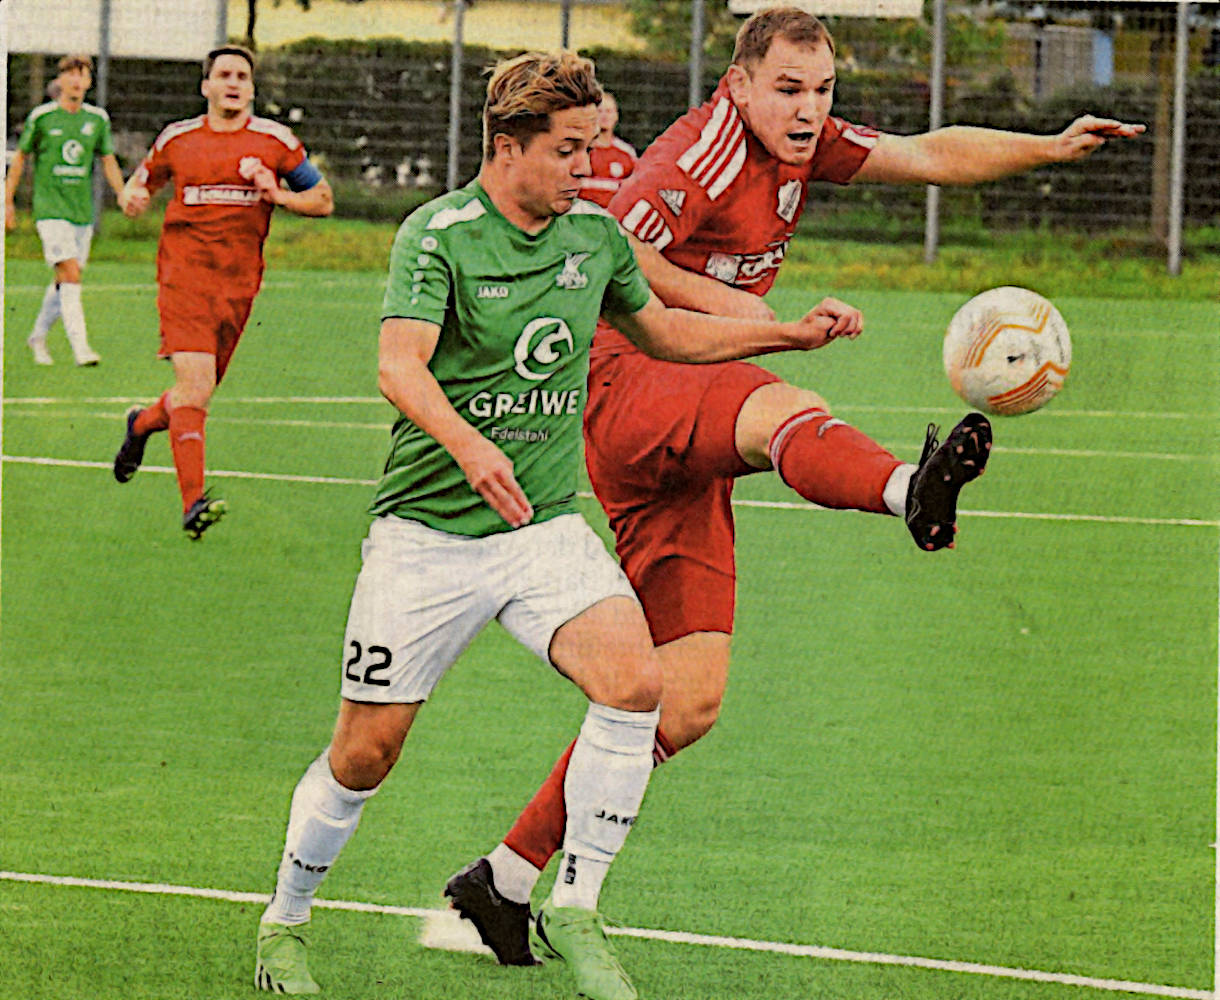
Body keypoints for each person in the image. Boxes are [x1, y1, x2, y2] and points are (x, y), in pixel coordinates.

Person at [445, 4, 1145, 967]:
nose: (809, 109)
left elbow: (928, 155)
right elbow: (619, 249)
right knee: (781, 409)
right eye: (788, 88)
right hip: (630, 381)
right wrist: (747, 312)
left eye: (821, 90)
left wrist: (1050, 146)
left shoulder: (799, 144)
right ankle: (910, 490)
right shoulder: (699, 158)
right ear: (738, 84)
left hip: (682, 421)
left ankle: (504, 879)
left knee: (682, 700)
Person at [251, 49, 871, 1000]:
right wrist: (468, 445)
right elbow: (399, 367)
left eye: (594, 149)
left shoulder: (594, 236)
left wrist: (780, 333)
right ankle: (285, 922)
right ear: (508, 147)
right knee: (364, 753)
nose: (588, 173)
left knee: (636, 683)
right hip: (427, 538)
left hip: (542, 531)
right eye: (570, 152)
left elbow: (664, 331)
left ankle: (572, 905)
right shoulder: (439, 235)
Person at [111, 45, 333, 539]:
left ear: (251, 89)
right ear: (206, 86)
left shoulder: (275, 142)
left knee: (194, 393)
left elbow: (322, 200)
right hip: (184, 278)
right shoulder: (178, 138)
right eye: (223, 75)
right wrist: (133, 196)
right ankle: (193, 502)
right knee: (196, 389)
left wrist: (278, 196)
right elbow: (140, 184)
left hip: (239, 287)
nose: (233, 83)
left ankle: (142, 424)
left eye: (242, 76)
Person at [5, 54, 125, 367]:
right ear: (59, 81)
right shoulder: (42, 117)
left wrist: (123, 194)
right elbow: (20, 158)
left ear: (88, 81)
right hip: (50, 210)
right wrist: (6, 201)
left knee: (65, 279)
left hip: (81, 213)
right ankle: (81, 348)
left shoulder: (97, 119)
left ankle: (37, 336)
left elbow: (108, 159)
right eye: (69, 74)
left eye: (81, 74)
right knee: (70, 274)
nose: (75, 80)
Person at [576, 91, 637, 208]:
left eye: (609, 111)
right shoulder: (580, 148)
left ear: (616, 116)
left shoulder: (626, 153)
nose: (604, 116)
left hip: (612, 219)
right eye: (600, 111)